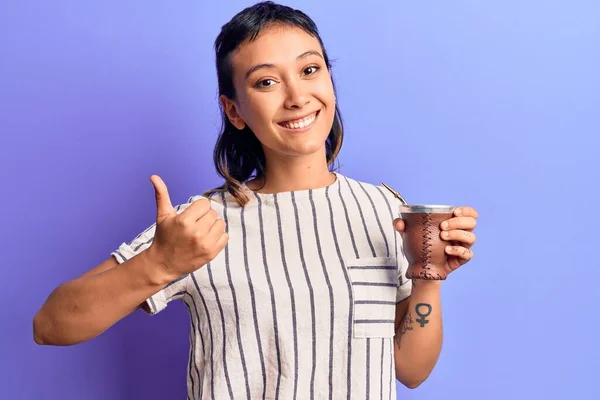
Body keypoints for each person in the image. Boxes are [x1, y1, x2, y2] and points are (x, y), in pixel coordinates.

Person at [33, 2, 479, 399]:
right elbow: (51, 324)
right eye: (266, 81)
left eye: (310, 70)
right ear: (234, 111)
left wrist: (428, 273)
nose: (298, 96)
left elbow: (410, 370)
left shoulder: (383, 210)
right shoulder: (198, 226)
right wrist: (159, 264)